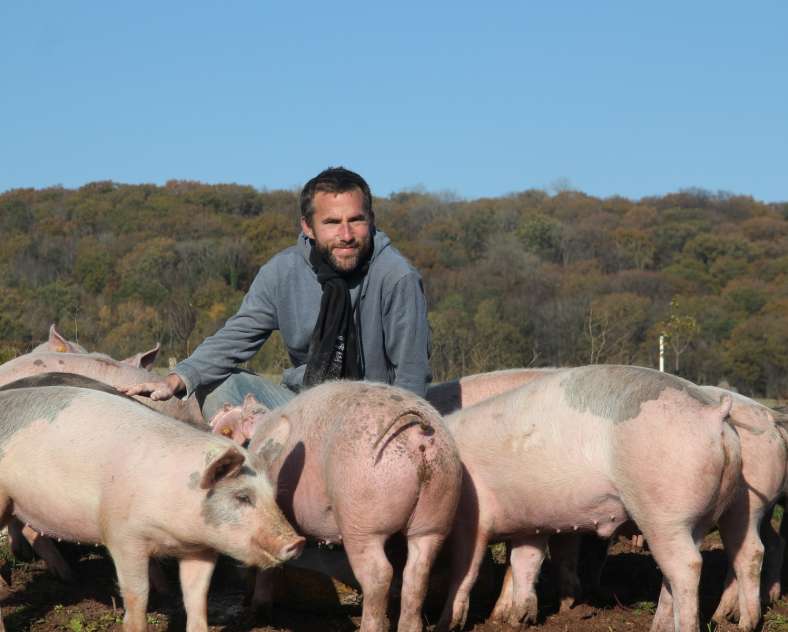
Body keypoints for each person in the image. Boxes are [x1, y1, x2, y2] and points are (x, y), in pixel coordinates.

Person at [122, 167, 431, 419]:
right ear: (308, 227)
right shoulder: (282, 272)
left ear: (371, 220)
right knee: (220, 387)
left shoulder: (396, 277)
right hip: (303, 401)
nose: (346, 235)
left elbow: (411, 375)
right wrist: (178, 377)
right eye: (332, 223)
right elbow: (238, 335)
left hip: (373, 411)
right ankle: (258, 482)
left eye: (356, 220)